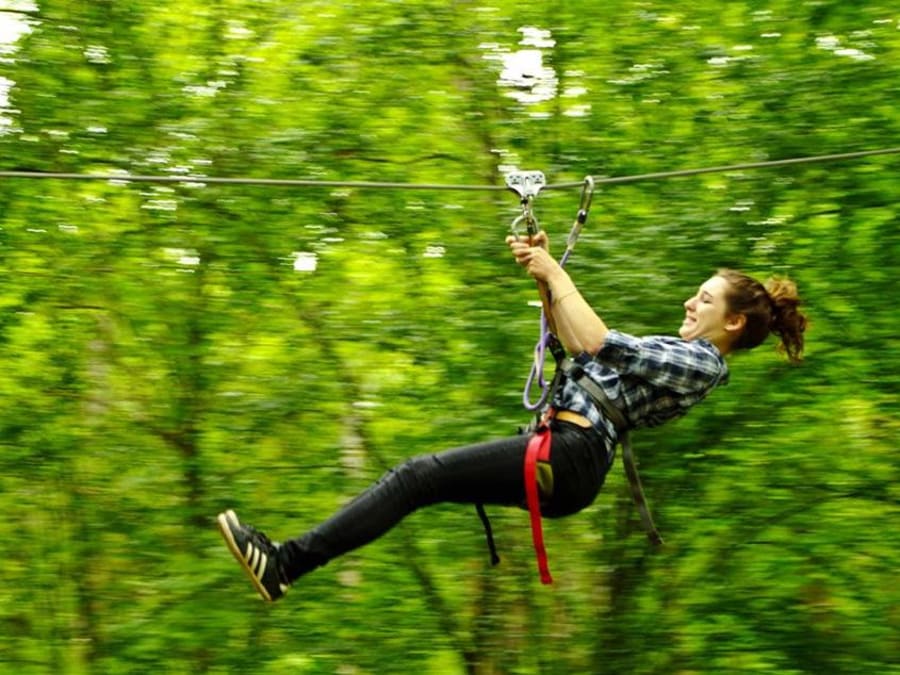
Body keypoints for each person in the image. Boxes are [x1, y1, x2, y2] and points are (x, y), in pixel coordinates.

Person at [216, 232, 808, 601]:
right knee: (417, 481)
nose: (689, 301)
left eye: (704, 298)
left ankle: (286, 564)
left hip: (572, 457)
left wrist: (556, 273)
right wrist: (546, 276)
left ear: (732, 323)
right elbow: (581, 345)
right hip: (566, 456)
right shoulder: (684, 356)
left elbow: (601, 341)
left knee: (415, 476)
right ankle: (286, 565)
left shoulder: (702, 363)